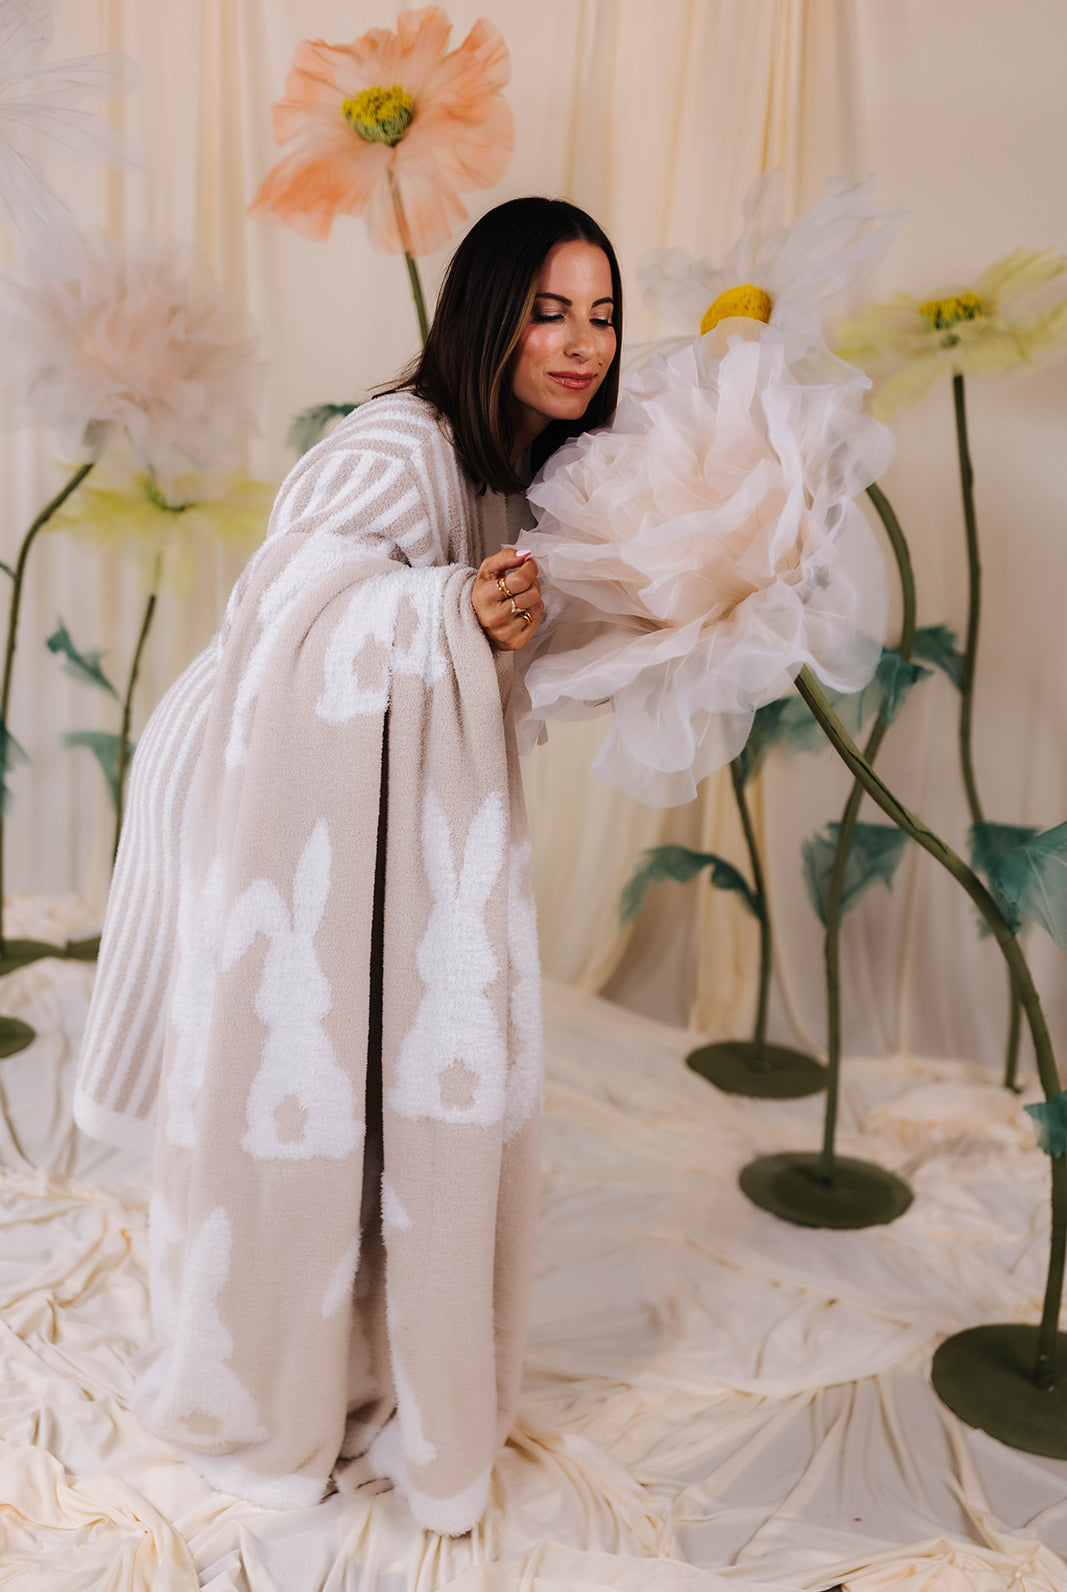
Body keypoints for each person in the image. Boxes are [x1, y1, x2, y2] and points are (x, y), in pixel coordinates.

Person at [73, 197, 622, 1536]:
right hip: (256, 784)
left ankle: (369, 1351)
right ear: (486, 315)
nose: (580, 342)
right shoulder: (393, 452)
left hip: (369, 799)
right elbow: (286, 610)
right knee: (302, 1072)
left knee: (388, 1071)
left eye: (603, 315)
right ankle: (276, 1375)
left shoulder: (516, 465)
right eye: (549, 310)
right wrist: (442, 611)